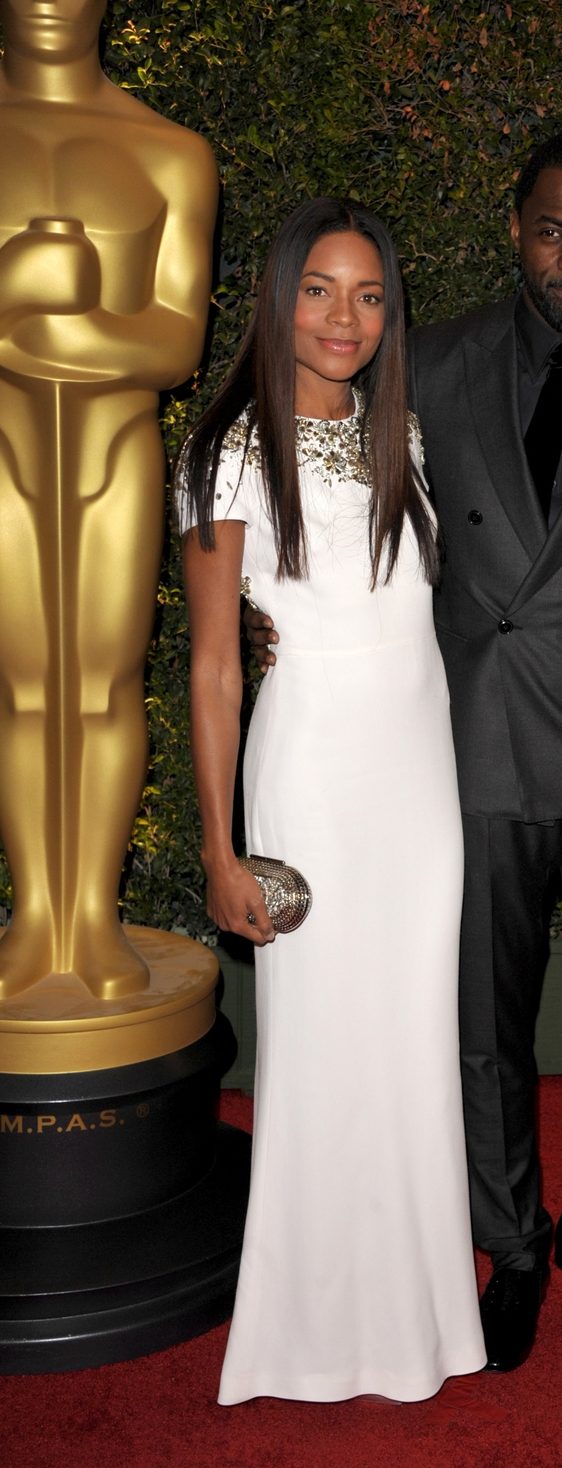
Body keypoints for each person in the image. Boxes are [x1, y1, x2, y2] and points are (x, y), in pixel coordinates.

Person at [248, 131, 562, 1373]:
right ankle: (513, 1242)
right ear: (515, 230)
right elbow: (340, 504)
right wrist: (288, 617)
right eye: (550, 229)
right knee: (484, 1020)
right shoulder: (435, 365)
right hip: (469, 751)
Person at [178, 198, 486, 1403]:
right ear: (276, 298)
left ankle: (418, 1322)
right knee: (314, 1056)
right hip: (308, 777)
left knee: (408, 1048)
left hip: (420, 787)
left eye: (366, 294)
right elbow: (211, 663)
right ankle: (302, 1336)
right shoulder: (229, 450)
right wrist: (220, 847)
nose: (342, 317)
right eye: (317, 290)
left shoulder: (396, 436)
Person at [0, 0, 216, 998]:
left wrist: (61, 325)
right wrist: (18, 281)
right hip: (6, 449)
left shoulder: (169, 154)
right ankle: (36, 913)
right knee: (21, 686)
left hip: (114, 449)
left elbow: (172, 345)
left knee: (102, 682)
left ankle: (91, 912)